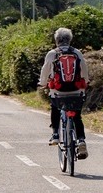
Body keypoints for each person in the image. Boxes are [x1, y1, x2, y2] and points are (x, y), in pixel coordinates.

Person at [38, 27, 89, 159]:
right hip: (76, 91)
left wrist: (43, 83)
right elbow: (84, 71)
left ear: (56, 40)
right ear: (70, 40)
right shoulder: (77, 53)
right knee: (77, 116)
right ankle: (81, 140)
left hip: (58, 91)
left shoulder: (52, 54)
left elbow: (45, 71)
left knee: (55, 107)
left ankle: (55, 134)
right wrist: (85, 83)